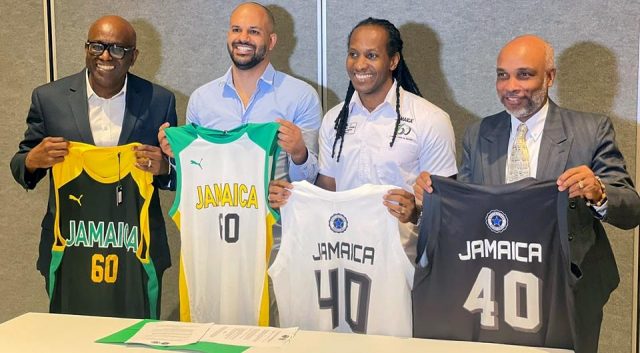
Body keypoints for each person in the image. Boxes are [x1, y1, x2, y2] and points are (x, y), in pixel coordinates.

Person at [414, 34, 640, 353]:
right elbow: (465, 214)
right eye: (502, 75)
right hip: (494, 289)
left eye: (524, 74)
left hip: (568, 288)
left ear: (550, 77)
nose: (510, 87)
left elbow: (631, 209)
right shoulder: (479, 134)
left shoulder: (591, 130)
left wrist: (599, 191)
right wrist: (430, 202)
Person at [10, 15, 177, 316]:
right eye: (96, 46)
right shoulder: (49, 98)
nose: (105, 55)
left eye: (117, 49)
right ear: (86, 48)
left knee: (135, 340)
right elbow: (21, 164)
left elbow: (179, 174)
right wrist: (34, 160)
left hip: (135, 247)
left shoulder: (158, 101)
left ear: (134, 56)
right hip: (70, 243)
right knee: (70, 339)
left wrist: (165, 167)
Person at [269, 17, 457, 260]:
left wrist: (415, 213)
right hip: (344, 257)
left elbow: (448, 207)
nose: (359, 64)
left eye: (371, 56)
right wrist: (293, 195)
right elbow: (328, 190)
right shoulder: (334, 119)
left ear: (393, 60)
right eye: (353, 54)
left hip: (405, 263)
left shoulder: (431, 119)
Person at [158, 1, 321, 183]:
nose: (243, 38)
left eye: (254, 31)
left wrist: (300, 153)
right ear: (228, 35)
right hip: (215, 209)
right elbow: (194, 176)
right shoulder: (201, 100)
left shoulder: (302, 96)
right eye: (236, 30)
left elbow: (310, 182)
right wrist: (175, 155)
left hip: (277, 210)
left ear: (271, 41)